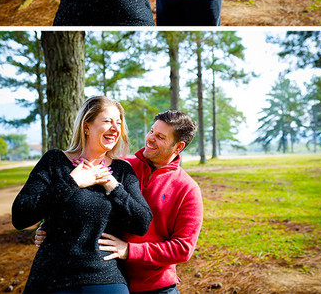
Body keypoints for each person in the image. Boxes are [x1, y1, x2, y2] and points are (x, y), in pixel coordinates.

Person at [37, 110, 203, 294]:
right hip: (106, 278)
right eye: (151, 131)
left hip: (156, 287)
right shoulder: (121, 167)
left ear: (178, 146)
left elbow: (183, 248)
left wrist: (129, 250)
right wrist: (48, 227)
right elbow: (79, 202)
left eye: (160, 137)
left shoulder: (188, 189)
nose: (150, 138)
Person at [12, 96, 152, 293]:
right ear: (87, 126)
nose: (115, 128)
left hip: (104, 276)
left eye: (118, 123)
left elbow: (142, 222)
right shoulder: (55, 161)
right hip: (51, 276)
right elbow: (20, 216)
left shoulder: (121, 171)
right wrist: (72, 183)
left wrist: (113, 186)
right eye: (107, 121)